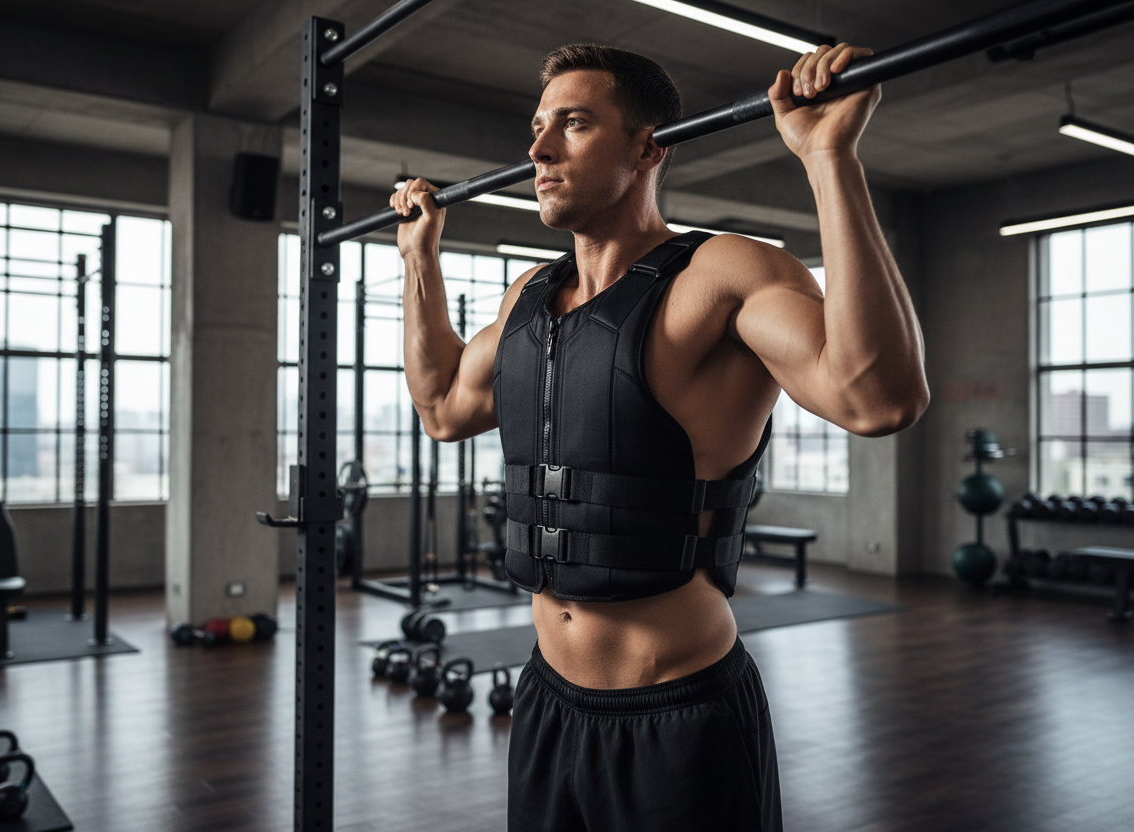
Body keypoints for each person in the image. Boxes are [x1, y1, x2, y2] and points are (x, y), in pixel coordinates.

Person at [392, 41, 927, 832]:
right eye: (538, 127)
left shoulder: (726, 275)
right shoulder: (528, 300)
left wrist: (827, 158)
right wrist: (418, 262)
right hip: (546, 702)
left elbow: (877, 398)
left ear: (648, 147)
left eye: (572, 125)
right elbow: (441, 409)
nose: (538, 149)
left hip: (678, 716)